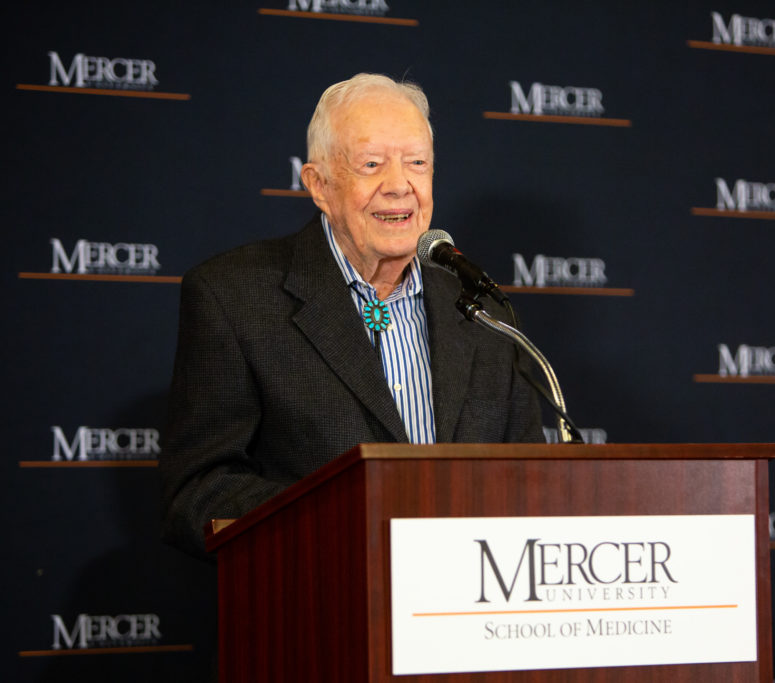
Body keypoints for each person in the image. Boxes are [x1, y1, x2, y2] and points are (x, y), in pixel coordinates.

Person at [160, 74, 543, 559]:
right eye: (371, 164)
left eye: (417, 163)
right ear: (319, 185)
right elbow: (197, 492)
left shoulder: (480, 309)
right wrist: (350, 509)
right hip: (323, 604)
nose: (399, 186)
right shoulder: (234, 297)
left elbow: (531, 477)